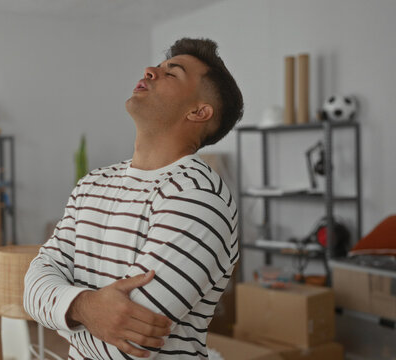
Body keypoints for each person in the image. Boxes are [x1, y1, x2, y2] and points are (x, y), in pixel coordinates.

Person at [24, 37, 244, 359]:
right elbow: (31, 286)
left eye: (172, 73)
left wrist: (62, 309)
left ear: (198, 112)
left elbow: (130, 345)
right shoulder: (92, 183)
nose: (150, 71)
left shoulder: (199, 198)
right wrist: (87, 308)